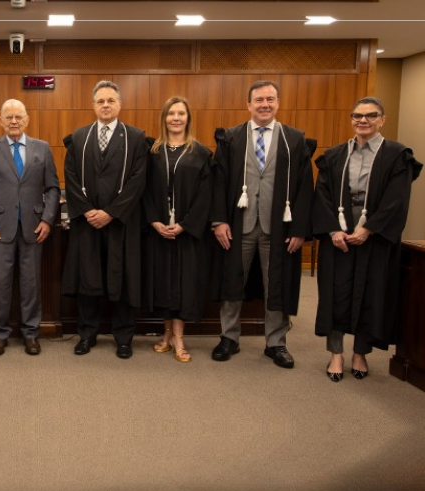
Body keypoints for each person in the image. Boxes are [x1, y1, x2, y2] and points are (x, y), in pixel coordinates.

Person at [313, 97, 422, 382]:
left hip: (374, 236)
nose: (363, 120)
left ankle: (360, 352)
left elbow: (397, 199)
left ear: (382, 119)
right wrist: (333, 230)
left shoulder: (397, 156)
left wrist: (369, 228)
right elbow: (322, 195)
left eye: (371, 116)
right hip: (338, 233)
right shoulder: (335, 155)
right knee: (334, 295)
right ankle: (335, 353)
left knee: (370, 294)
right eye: (357, 115)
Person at [210, 80, 314, 369]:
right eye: (258, 100)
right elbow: (218, 183)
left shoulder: (294, 140)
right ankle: (229, 337)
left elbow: (306, 187)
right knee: (232, 282)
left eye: (270, 99)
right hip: (237, 225)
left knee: (276, 285)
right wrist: (218, 221)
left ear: (278, 103)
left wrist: (299, 231)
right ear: (248, 104)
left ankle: (276, 343)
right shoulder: (231, 138)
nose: (264, 104)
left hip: (279, 226)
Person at [62, 80, 148, 359]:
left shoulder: (136, 138)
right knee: (88, 279)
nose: (106, 105)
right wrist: (88, 211)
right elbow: (71, 178)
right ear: (93, 105)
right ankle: (87, 334)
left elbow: (138, 180)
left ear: (120, 104)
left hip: (120, 223)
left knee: (122, 279)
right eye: (101, 101)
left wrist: (111, 213)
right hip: (88, 223)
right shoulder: (79, 137)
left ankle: (124, 336)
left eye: (111, 100)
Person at [0, 99, 60, 356]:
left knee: (31, 283)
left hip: (34, 229)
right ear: (0, 121)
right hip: (0, 230)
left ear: (27, 120)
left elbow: (53, 188)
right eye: (9, 117)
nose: (14, 121)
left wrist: (47, 219)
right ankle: (0, 334)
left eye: (18, 117)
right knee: (0, 283)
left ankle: (30, 334)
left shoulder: (42, 149)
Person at [141, 96, 213, 363]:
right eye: (171, 113)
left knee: (182, 285)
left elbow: (206, 196)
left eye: (181, 113)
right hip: (159, 231)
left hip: (186, 233)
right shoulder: (153, 153)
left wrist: (185, 225)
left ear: (188, 118)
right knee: (163, 283)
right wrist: (154, 221)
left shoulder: (201, 153)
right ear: (164, 118)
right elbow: (144, 191)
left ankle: (179, 337)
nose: (176, 118)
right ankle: (166, 334)